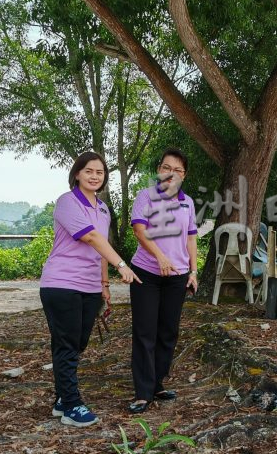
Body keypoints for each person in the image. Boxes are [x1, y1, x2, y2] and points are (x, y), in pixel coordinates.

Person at [39, 151, 140, 427]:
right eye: (89, 171)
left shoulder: (104, 209)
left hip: (89, 286)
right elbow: (92, 237)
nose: (95, 176)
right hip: (61, 284)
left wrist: (104, 284)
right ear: (77, 174)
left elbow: (99, 249)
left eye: (100, 172)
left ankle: (62, 399)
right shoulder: (67, 202)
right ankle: (71, 404)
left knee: (76, 343)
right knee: (68, 344)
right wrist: (122, 264)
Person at [126, 148, 199, 414]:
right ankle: (142, 393)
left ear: (184, 175)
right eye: (167, 168)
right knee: (145, 332)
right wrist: (160, 257)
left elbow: (191, 237)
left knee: (168, 332)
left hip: (178, 276)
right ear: (159, 169)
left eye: (178, 170)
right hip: (146, 274)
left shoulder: (187, 202)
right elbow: (139, 230)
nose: (172, 174)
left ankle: (157, 383)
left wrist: (193, 270)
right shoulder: (146, 195)